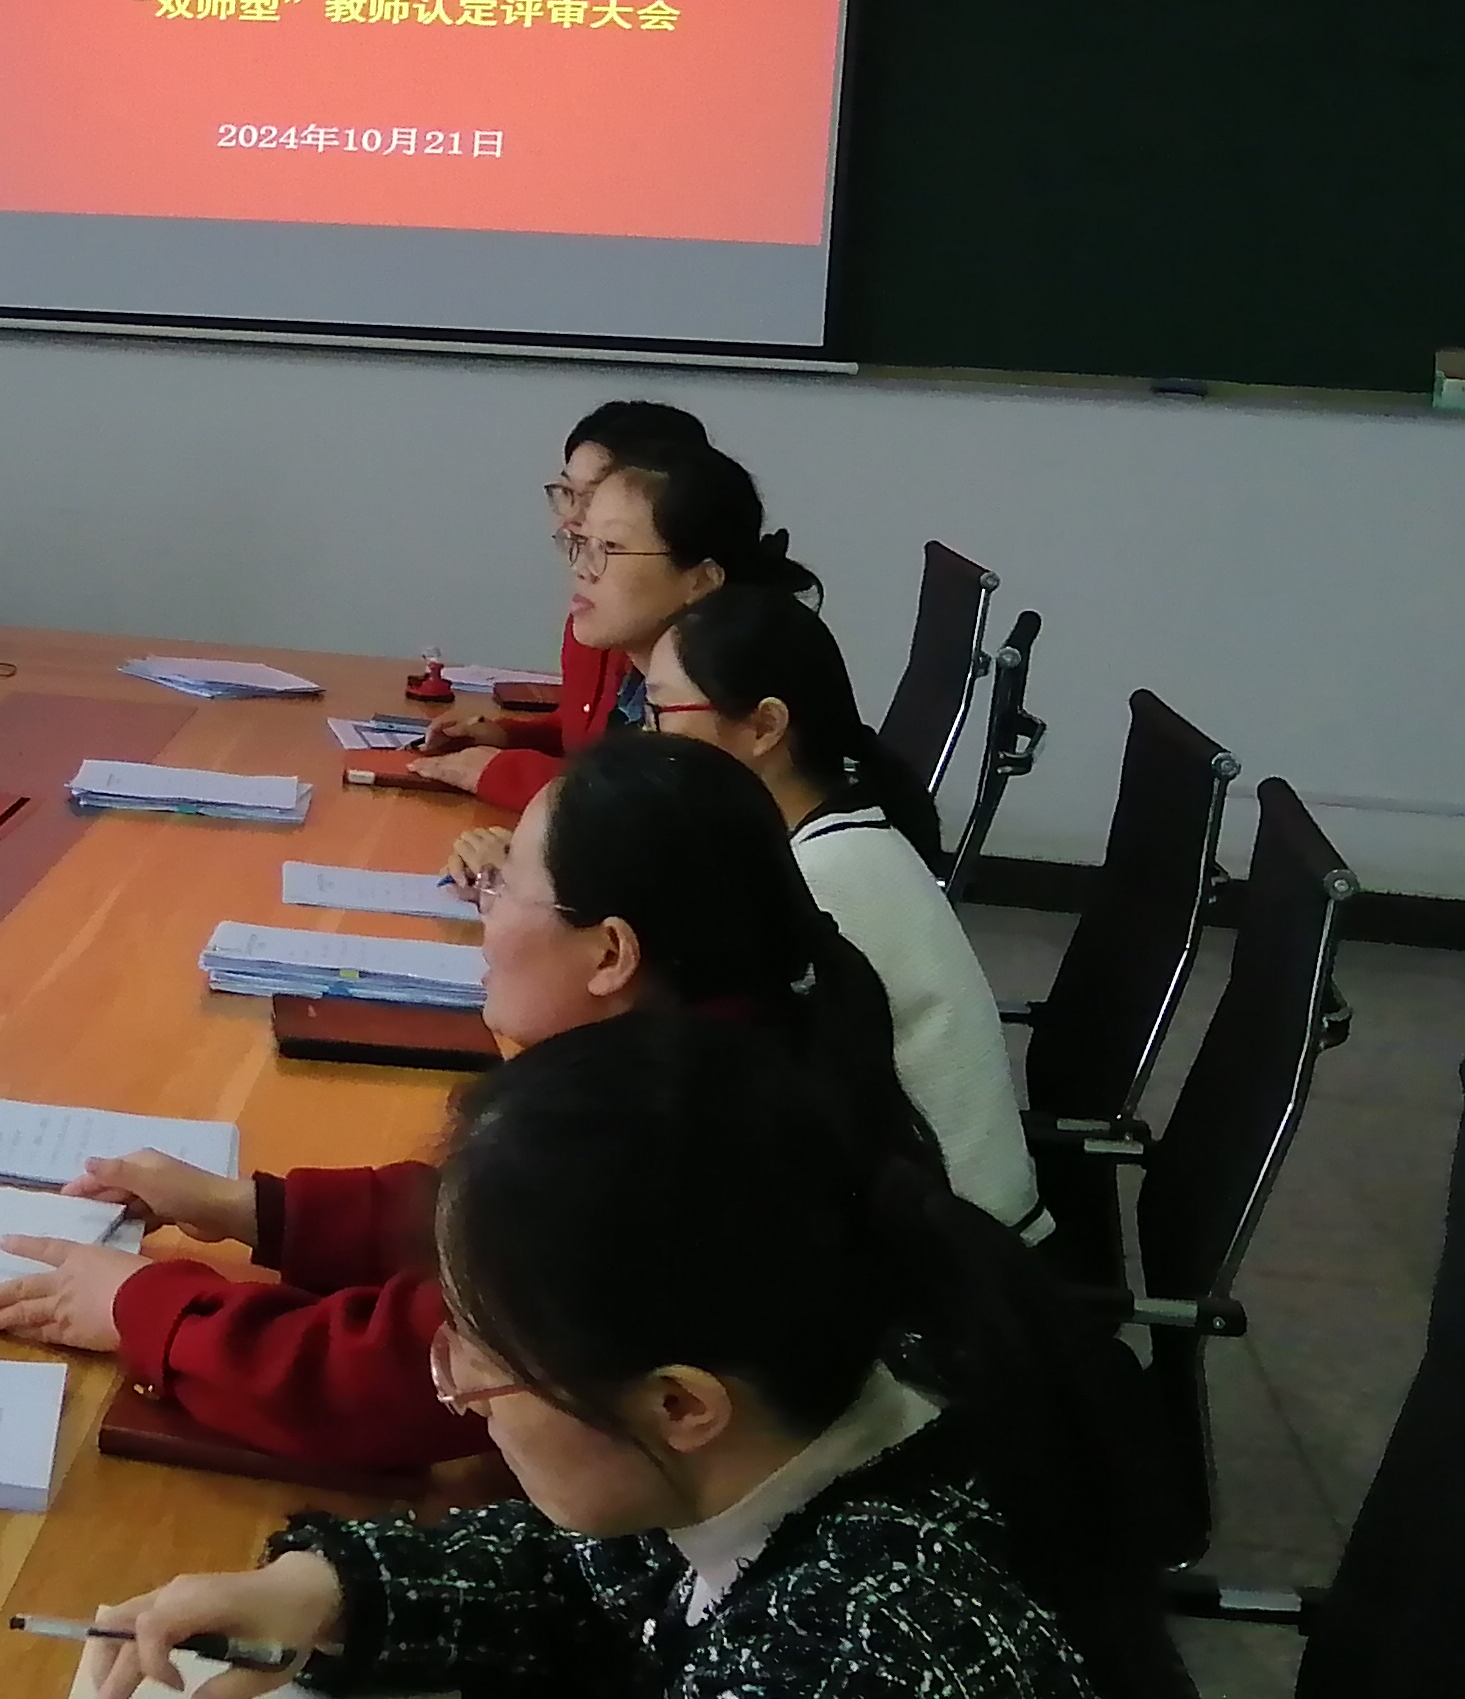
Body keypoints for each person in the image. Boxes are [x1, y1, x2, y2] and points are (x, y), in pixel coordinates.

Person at [77, 1014, 1270, 1699]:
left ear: (678, 1404)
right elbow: (600, 1567)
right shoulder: (842, 1388)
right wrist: (325, 1587)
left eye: (479, 1360)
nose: (452, 1391)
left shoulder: (858, 1673)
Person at [0, 736, 935, 1473]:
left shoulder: (657, 1140)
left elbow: (386, 1384)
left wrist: (137, 1305)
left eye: (505, 885)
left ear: (611, 953)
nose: (482, 910)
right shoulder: (722, 1048)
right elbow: (488, 1219)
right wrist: (256, 1210)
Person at [648, 586, 1038, 1235]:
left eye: (660, 710)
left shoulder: (825, 879)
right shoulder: (830, 833)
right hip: (918, 1213)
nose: (647, 735)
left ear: (764, 726)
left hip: (947, 1255)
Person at [413, 442, 813, 818]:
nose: (581, 568)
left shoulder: (713, 706)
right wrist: (506, 738)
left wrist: (504, 772)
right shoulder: (637, 681)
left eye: (611, 548)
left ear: (701, 580)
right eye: (582, 543)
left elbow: (653, 817)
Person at [403, 399, 706, 783]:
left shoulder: (706, 672)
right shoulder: (609, 618)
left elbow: (642, 801)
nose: (572, 522)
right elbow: (585, 737)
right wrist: (508, 737)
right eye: (567, 492)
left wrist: (506, 773)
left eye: (596, 499)